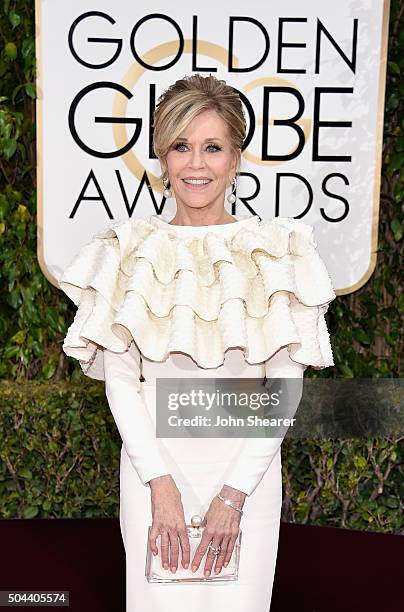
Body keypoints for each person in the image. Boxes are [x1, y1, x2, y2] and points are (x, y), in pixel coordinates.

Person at [59, 74, 336, 611]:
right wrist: (159, 487)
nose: (196, 164)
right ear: (163, 157)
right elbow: (121, 381)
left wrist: (234, 494)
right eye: (181, 146)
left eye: (213, 147)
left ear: (236, 158)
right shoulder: (130, 251)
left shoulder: (274, 252)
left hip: (246, 480)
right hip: (151, 475)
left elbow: (282, 388)